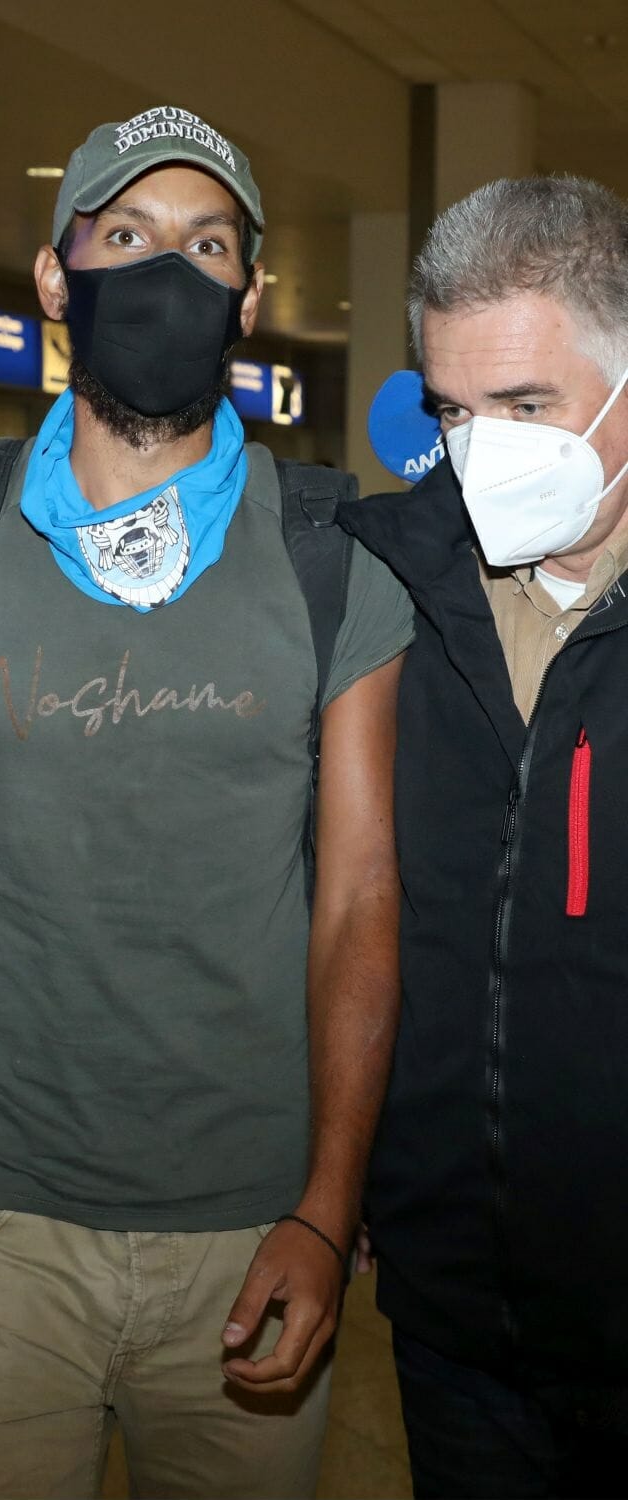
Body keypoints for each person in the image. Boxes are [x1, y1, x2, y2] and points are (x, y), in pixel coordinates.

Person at [0, 104, 414, 1500]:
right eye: (125, 236)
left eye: (207, 246)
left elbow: (362, 894)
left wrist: (329, 1202)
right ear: (55, 280)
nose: (167, 271)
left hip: (250, 1225)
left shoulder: (333, 557)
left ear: (249, 294)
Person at [341, 176, 628, 1500]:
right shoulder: (386, 585)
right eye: (453, 412)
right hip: (454, 1314)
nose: (483, 453)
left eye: (526, 406)